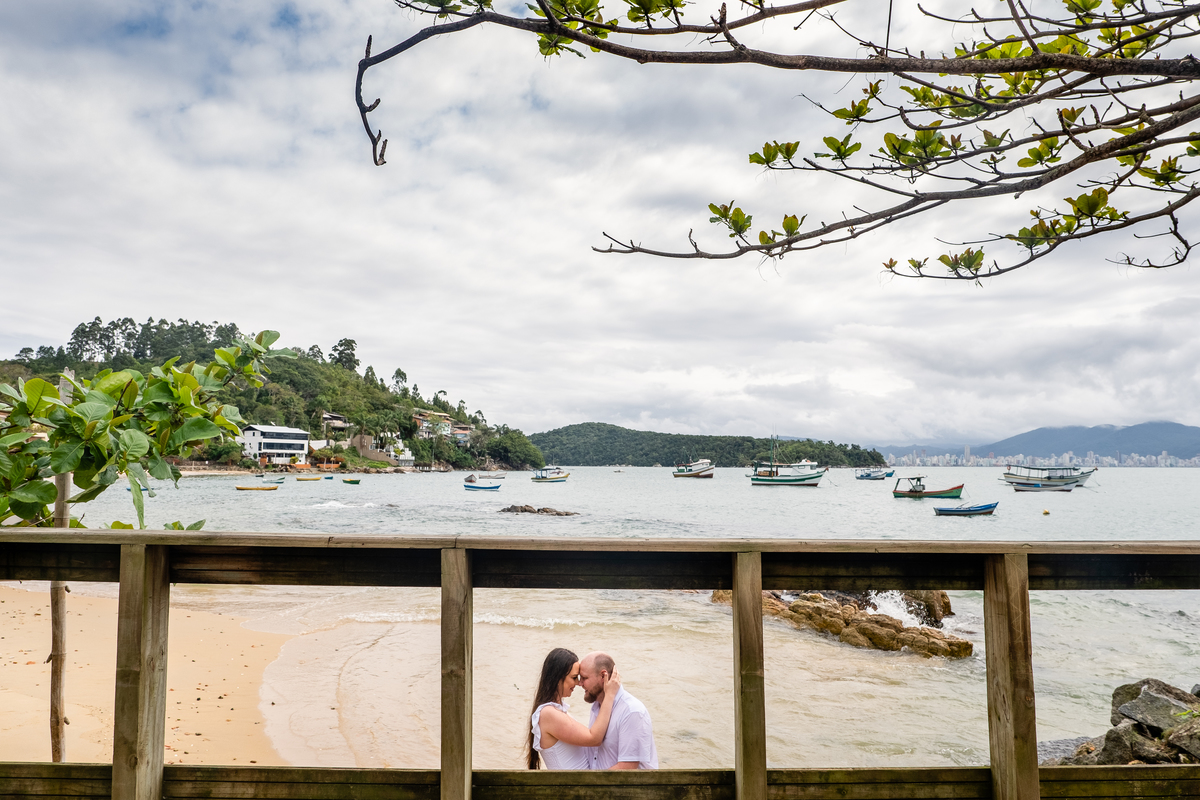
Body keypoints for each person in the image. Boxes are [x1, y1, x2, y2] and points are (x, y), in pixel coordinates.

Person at [526, 647, 622, 769]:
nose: (578, 683)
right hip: (572, 786)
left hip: (577, 784)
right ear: (558, 678)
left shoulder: (556, 710)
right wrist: (610, 694)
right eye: (574, 677)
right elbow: (594, 738)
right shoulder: (548, 713)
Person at [577, 651, 659, 769]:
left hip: (627, 786)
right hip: (604, 785)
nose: (580, 683)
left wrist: (588, 784)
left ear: (603, 676)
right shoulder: (597, 707)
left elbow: (627, 768)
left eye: (584, 678)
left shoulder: (632, 711)